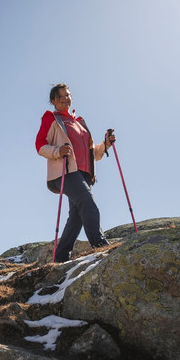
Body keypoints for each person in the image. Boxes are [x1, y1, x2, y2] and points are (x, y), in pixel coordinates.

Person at [36, 83, 115, 262]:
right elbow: (40, 145)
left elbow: (92, 153)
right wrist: (58, 151)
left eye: (68, 94)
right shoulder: (52, 119)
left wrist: (106, 144)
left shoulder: (79, 122)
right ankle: (100, 245)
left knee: (76, 217)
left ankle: (60, 258)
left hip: (84, 174)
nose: (66, 98)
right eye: (61, 96)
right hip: (65, 172)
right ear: (53, 101)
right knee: (88, 203)